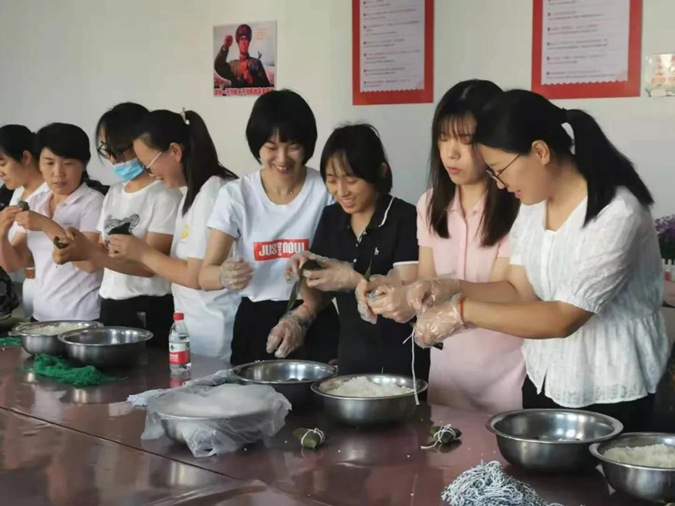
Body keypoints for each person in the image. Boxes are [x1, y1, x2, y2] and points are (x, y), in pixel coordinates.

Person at [409, 89, 668, 431]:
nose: (500, 185)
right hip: (544, 379)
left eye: (500, 170)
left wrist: (461, 311)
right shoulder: (532, 208)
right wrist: (450, 286)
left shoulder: (617, 213)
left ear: (540, 151)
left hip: (611, 388)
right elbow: (519, 290)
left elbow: (563, 317)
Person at [362, 80, 524, 412]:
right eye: (443, 138)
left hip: (507, 375)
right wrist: (395, 294)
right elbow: (426, 281)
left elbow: (509, 292)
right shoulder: (430, 204)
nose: (451, 152)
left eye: (466, 141)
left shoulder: (518, 206)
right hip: (447, 374)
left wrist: (448, 289)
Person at [279, 123, 430, 380]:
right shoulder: (331, 218)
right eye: (332, 181)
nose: (341, 191)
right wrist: (305, 272)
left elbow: (409, 295)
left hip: (401, 362)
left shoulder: (404, 218)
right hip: (351, 357)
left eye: (351, 180)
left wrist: (353, 279)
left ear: (380, 173)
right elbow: (318, 298)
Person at [199, 89, 338, 366]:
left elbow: (340, 267)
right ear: (257, 146)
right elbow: (205, 276)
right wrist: (224, 275)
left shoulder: (325, 189)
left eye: (293, 146)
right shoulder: (236, 195)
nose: (282, 158)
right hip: (255, 321)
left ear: (307, 145)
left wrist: (304, 314)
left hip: (314, 314)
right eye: (271, 147)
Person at [106, 109, 240, 363]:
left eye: (148, 163)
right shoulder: (191, 193)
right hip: (195, 327)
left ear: (175, 151)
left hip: (215, 330)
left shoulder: (213, 192)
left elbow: (195, 275)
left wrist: (142, 253)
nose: (149, 172)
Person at [53, 103, 181, 348]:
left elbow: (148, 267)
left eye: (119, 150)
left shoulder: (164, 195)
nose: (113, 159)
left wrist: (91, 253)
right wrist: (76, 245)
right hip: (111, 302)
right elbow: (102, 248)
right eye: (107, 150)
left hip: (147, 307)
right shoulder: (114, 193)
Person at [0, 123, 105, 321]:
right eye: (49, 163)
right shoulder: (37, 202)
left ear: (83, 164)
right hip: (42, 315)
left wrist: (47, 225)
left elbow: (90, 264)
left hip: (82, 317)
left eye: (68, 164)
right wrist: (2, 233)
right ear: (38, 164)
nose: (58, 172)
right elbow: (15, 263)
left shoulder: (93, 202)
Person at [0, 124, 49, 315]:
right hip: (31, 286)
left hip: (54, 288)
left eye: (2, 164)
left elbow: (15, 261)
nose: (0, 173)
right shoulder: (18, 191)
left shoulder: (47, 193)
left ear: (26, 157)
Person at [214, 24, 271, 89]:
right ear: (238, 43)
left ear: (249, 43)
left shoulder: (256, 63)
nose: (244, 42)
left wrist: (252, 81)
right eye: (241, 39)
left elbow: (267, 86)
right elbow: (218, 66)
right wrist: (225, 47)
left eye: (246, 39)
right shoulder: (233, 65)